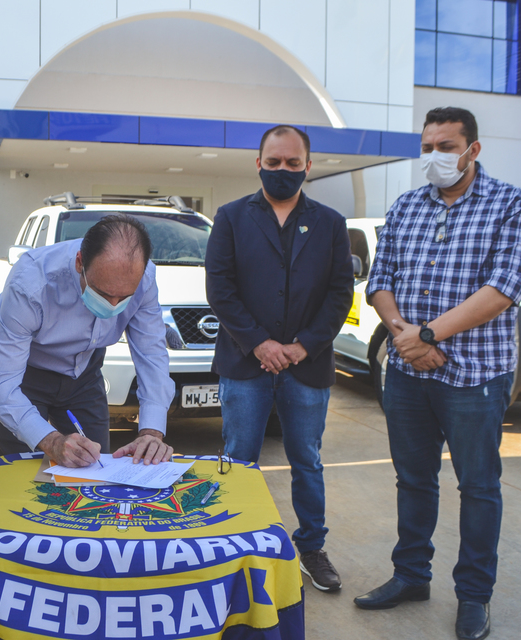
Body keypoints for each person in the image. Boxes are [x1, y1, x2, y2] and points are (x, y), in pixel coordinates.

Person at [356, 107, 521, 640]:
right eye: (428, 145)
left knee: (479, 487)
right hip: (410, 375)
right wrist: (403, 333)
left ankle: (474, 597)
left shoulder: (512, 204)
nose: (434, 156)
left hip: (476, 376)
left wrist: (429, 334)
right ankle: (411, 575)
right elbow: (379, 279)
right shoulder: (407, 205)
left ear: (472, 150)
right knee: (413, 480)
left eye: (445, 146)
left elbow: (505, 287)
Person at [205, 125, 355, 592]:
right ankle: (233, 540)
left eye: (293, 163)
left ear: (308, 166)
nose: (283, 171)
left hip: (307, 367)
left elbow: (339, 294)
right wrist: (260, 344)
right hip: (246, 363)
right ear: (259, 164)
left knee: (306, 460)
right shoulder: (230, 218)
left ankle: (311, 546)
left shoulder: (330, 223)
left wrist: (303, 345)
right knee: (238, 458)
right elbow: (220, 289)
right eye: (274, 163)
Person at [0, 215, 176, 468]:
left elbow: (151, 355)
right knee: (20, 467)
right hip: (24, 370)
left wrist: (151, 433)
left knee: (96, 463)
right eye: (103, 293)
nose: (113, 305)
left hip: (84, 368)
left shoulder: (144, 278)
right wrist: (52, 442)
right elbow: (1, 385)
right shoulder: (32, 282)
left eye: (124, 297)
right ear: (79, 263)